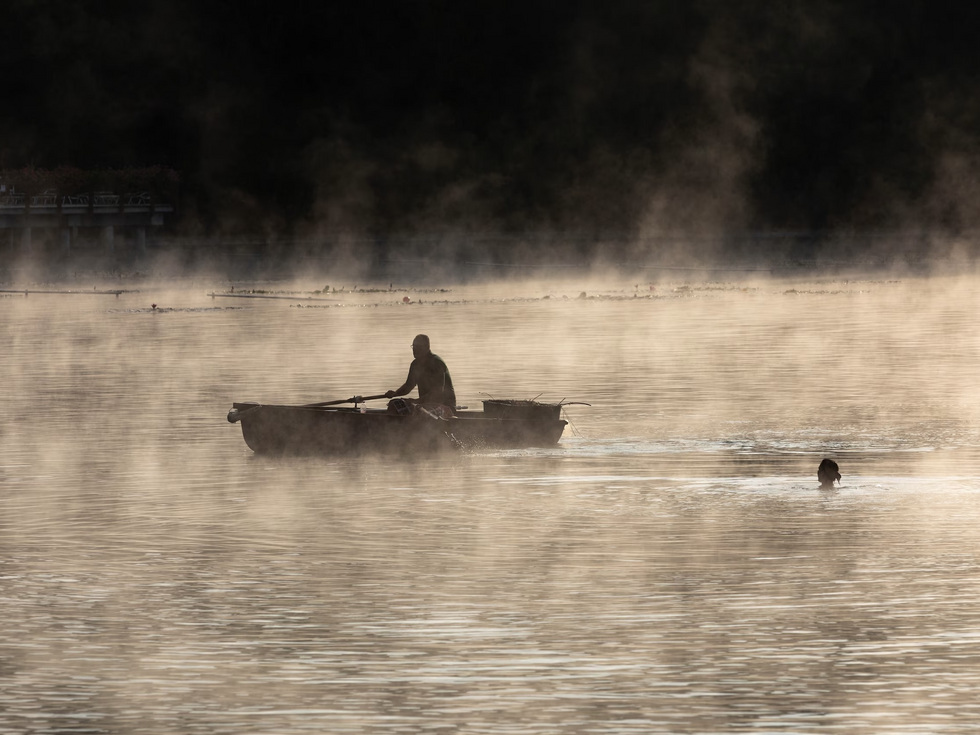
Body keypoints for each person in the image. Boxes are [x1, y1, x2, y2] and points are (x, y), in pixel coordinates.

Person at [385, 334, 457, 413]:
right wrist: (395, 394)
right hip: (425, 406)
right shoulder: (415, 364)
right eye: (414, 346)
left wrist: (416, 401)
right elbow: (408, 386)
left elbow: (438, 393)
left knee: (419, 412)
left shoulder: (436, 363)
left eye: (418, 347)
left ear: (427, 347)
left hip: (445, 406)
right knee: (394, 404)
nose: (415, 350)